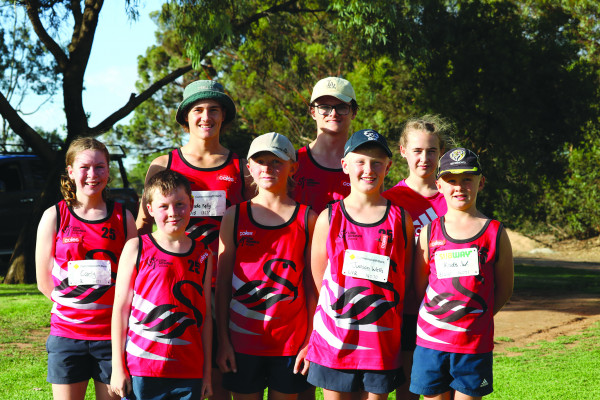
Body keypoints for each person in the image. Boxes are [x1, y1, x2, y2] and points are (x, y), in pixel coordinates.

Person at [136, 79, 253, 399]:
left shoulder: (241, 167)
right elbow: (143, 227)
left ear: (224, 116)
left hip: (223, 288)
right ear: (185, 117)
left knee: (218, 376)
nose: (206, 117)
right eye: (198, 109)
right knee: (174, 372)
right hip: (171, 287)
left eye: (214, 109)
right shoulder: (163, 165)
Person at [306, 129, 414, 400]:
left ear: (388, 166)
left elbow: (406, 278)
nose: (369, 169)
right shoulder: (329, 217)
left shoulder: (401, 219)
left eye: (377, 162)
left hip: (381, 343)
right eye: (360, 161)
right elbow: (319, 281)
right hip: (335, 342)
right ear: (345, 165)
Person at [216, 132, 318, 400]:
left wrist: (310, 340)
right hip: (241, 342)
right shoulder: (234, 216)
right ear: (249, 167)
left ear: (293, 167)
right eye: (260, 161)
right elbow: (223, 285)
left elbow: (313, 287)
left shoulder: (308, 218)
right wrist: (223, 341)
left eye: (277, 162)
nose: (268, 168)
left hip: (290, 344)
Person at [35, 137, 137, 400]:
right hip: (66, 337)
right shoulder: (54, 216)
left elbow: (132, 280)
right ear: (70, 172)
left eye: (100, 167)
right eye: (84, 167)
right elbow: (44, 282)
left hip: (111, 338)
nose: (93, 174)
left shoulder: (124, 218)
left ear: (108, 171)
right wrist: (78, 310)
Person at [409, 148, 514, 400]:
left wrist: (475, 318)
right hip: (431, 342)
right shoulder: (429, 232)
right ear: (439, 185)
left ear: (481, 182)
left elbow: (504, 289)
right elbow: (420, 285)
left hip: (473, 344)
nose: (459, 187)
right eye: (451, 180)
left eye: (467, 179)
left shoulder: (495, 232)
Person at [111, 170, 213, 400]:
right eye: (163, 206)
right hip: (143, 367)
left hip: (189, 368)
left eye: (180, 204)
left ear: (191, 204)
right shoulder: (136, 247)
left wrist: (206, 373)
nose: (173, 213)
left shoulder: (204, 253)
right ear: (149, 209)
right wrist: (117, 367)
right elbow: (120, 311)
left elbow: (206, 318)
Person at [382, 116, 450, 400]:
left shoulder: (453, 197)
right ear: (403, 151)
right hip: (402, 309)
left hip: (442, 309)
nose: (425, 158)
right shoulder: (388, 200)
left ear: (441, 153)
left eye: (432, 151)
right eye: (417, 150)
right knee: (407, 386)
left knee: (441, 388)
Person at [292, 76, 358, 214]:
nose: (333, 113)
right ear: (313, 112)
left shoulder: (364, 166)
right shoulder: (292, 162)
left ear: (354, 112)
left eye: (342, 107)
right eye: (324, 107)